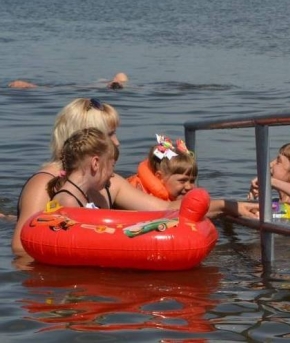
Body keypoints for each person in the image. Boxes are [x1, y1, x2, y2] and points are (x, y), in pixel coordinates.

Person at [12, 98, 259, 255]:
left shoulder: (111, 183)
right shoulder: (44, 185)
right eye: (110, 135)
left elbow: (166, 209)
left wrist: (229, 206)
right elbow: (22, 249)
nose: (118, 142)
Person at [47, 128, 117, 208]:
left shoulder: (81, 196)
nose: (112, 174)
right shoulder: (68, 201)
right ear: (95, 163)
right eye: (112, 166)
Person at [127, 134, 197, 201]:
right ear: (160, 177)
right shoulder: (137, 192)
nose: (189, 187)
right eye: (182, 181)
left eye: (192, 181)